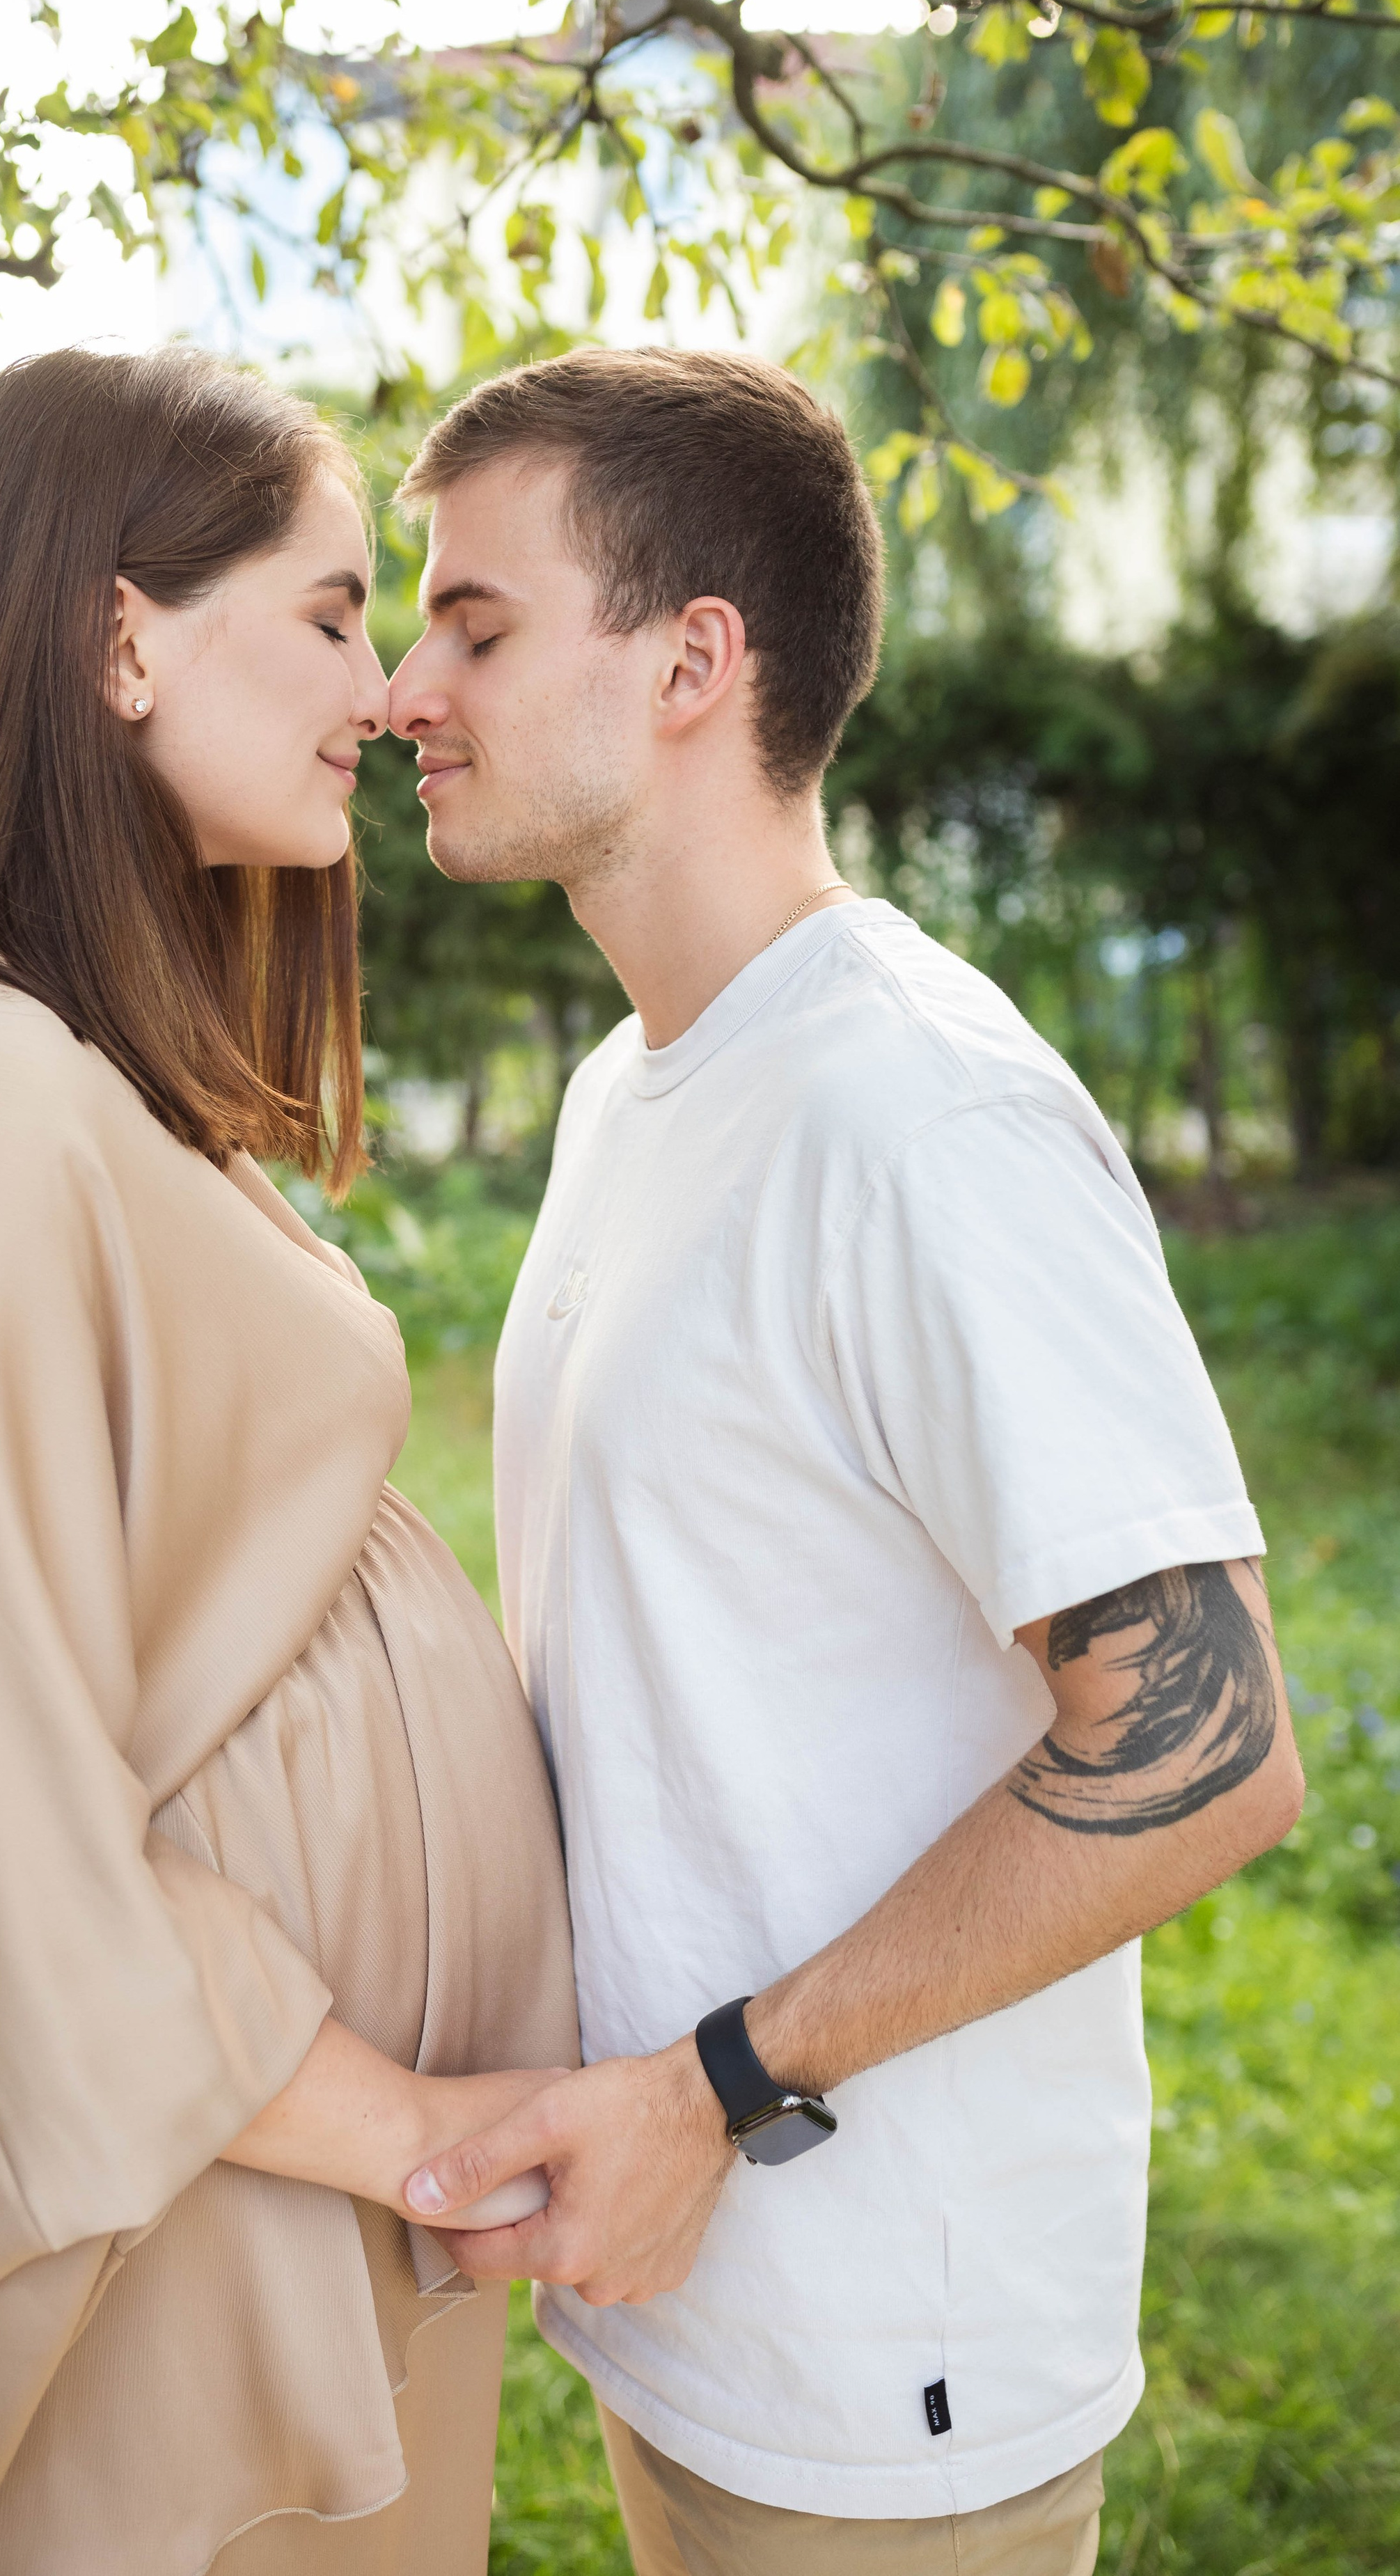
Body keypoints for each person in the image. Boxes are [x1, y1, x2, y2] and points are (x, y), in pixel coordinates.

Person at [0, 345, 577, 2576]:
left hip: (210, 2201)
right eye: (338, 608)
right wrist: (421, 2135)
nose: (381, 687)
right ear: (119, 633)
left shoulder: (25, 1060)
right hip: (130, 2221)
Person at [382, 346, 1305, 2576]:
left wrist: (717, 2085)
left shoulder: (919, 1118)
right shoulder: (644, 1085)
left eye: (477, 625)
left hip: (896, 2365)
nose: (408, 686)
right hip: (681, 2295)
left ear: (698, 660)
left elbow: (1219, 1746)